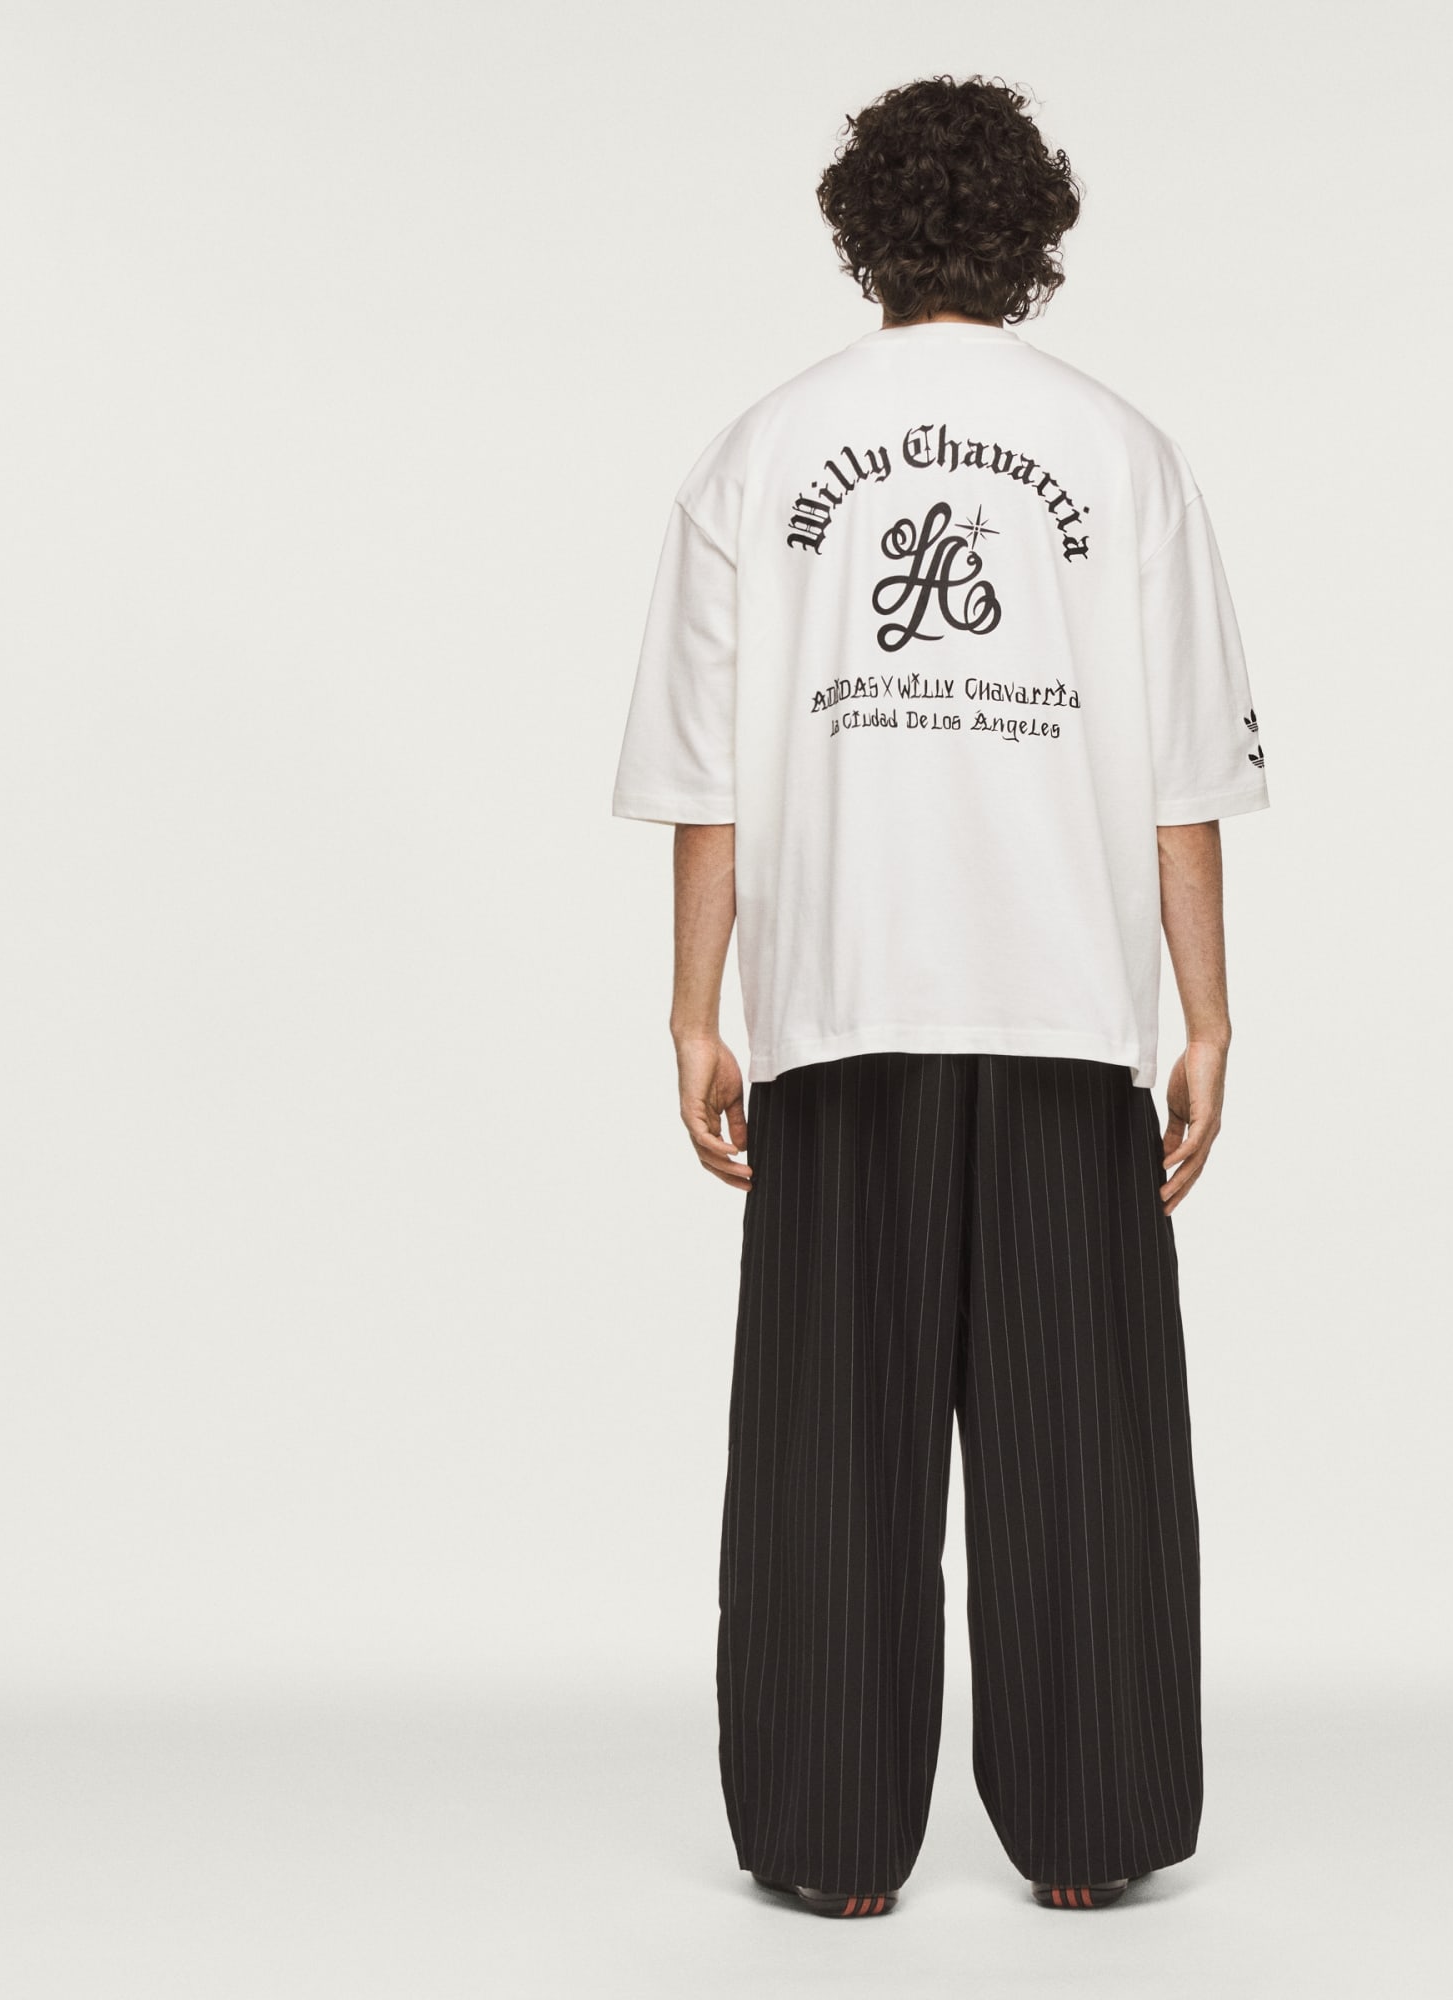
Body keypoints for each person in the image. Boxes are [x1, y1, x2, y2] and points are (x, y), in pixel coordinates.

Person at [613, 74, 1266, 1918]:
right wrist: (1207, 1017)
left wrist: (695, 1011)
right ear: (1035, 234)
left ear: (863, 234)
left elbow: (710, 779)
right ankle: (1093, 1834)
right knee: (1084, 1432)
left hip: (838, 1001)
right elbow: (1183, 777)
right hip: (1067, 1005)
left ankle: (830, 1848)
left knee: (831, 1433)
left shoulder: (760, 453)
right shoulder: (1124, 453)